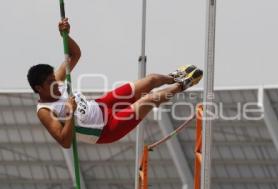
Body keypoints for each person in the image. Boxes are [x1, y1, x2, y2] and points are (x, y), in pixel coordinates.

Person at [27, 19, 203, 148]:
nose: (57, 83)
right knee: (149, 99)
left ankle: (175, 77)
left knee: (151, 80)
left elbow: (75, 55)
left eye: (54, 78)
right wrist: (70, 113)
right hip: (106, 129)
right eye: (50, 82)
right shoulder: (45, 112)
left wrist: (65, 35)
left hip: (102, 105)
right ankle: (184, 84)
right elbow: (65, 142)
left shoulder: (56, 81)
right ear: (39, 88)